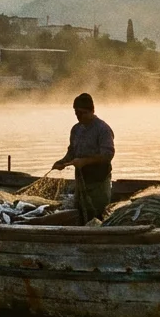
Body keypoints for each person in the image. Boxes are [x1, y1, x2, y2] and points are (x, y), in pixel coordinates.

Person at [52, 92, 115, 224]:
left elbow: (108, 155)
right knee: (80, 213)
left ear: (90, 111)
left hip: (99, 181)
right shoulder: (76, 129)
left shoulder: (103, 129)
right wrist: (62, 162)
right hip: (81, 182)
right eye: (76, 113)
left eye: (81, 113)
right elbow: (72, 152)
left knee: (98, 214)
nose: (78, 116)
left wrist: (84, 161)